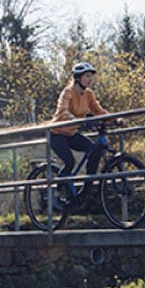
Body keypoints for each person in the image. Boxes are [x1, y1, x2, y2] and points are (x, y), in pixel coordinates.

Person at [48, 62, 108, 207]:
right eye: (87, 76)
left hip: (72, 133)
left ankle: (86, 188)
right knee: (69, 162)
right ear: (78, 78)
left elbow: (98, 111)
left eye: (90, 77)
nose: (89, 79)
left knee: (94, 150)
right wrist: (75, 119)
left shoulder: (88, 94)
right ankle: (59, 189)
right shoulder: (67, 92)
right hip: (57, 134)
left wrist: (115, 119)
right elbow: (62, 111)